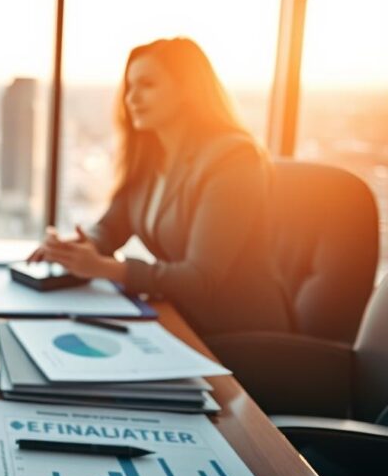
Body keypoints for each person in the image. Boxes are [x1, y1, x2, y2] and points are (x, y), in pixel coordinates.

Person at [28, 38, 292, 336]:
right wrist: (73, 248)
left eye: (147, 85)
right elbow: (112, 227)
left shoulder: (233, 160)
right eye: (130, 87)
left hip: (240, 333)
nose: (131, 98)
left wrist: (103, 268)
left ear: (187, 91)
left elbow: (200, 279)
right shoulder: (151, 157)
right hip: (180, 318)